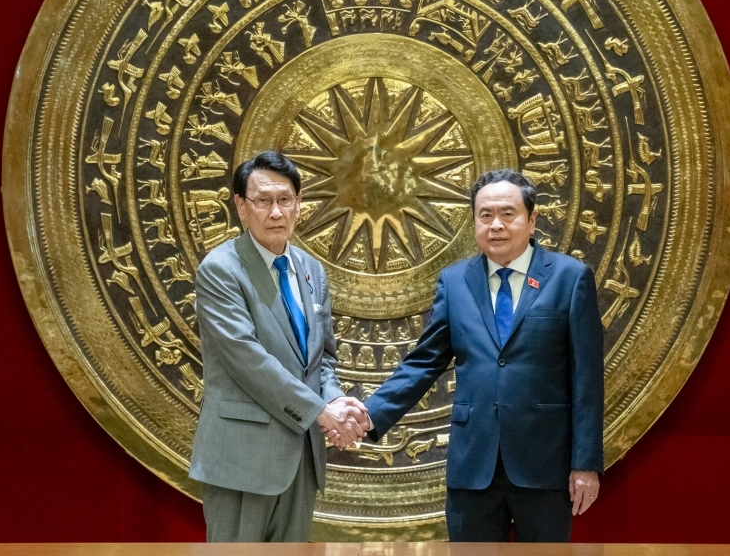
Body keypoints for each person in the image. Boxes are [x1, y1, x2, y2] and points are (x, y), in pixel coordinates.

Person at [364, 168, 604, 542]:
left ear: (532, 219)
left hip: (544, 465)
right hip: (473, 466)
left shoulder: (569, 278)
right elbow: (425, 362)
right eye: (485, 215)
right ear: (474, 220)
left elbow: (587, 378)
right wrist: (369, 415)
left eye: (508, 214)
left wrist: (586, 464)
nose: (496, 225)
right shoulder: (455, 281)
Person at [189, 150, 369, 542]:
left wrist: (336, 401)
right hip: (242, 460)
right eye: (263, 201)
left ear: (299, 204)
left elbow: (323, 361)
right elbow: (247, 360)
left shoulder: (310, 269)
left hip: (301, 457)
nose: (275, 213)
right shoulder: (221, 269)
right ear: (241, 206)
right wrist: (321, 413)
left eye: (285, 200)